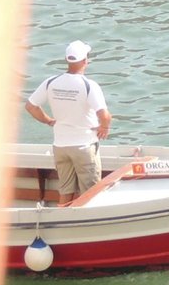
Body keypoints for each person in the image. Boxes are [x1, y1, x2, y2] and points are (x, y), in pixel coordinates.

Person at [26, 41, 111, 207]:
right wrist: (104, 127)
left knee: (65, 191)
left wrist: (48, 120)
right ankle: (88, 226)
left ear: (67, 59)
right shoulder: (89, 85)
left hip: (60, 146)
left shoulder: (51, 82)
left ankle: (62, 222)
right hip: (84, 146)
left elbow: (31, 106)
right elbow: (105, 116)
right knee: (90, 193)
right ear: (85, 61)